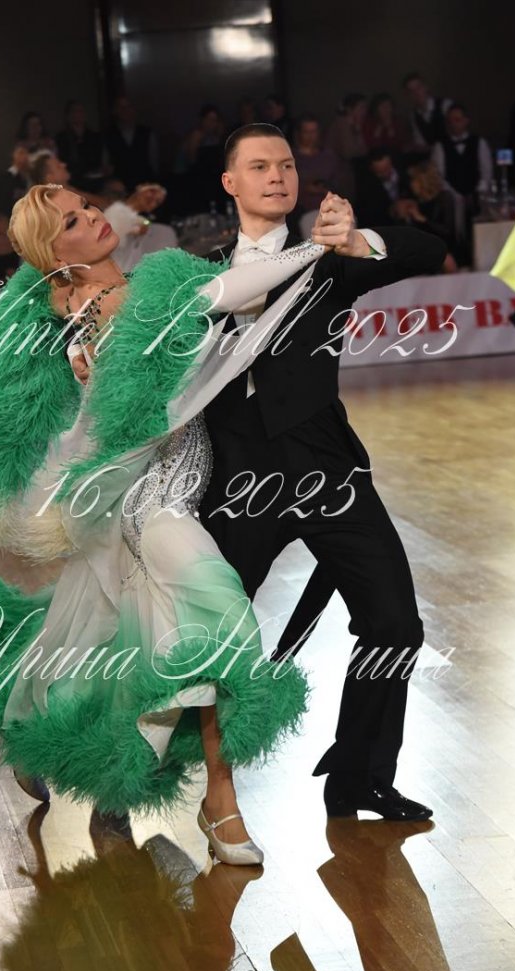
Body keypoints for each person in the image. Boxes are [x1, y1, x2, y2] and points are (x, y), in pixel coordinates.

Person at [0, 182, 335, 864]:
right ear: (52, 254)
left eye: (89, 206)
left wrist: (310, 249)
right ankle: (221, 802)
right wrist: (314, 247)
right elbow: (224, 294)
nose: (94, 218)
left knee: (113, 631)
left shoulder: (143, 282)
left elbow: (223, 288)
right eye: (73, 220)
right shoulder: (74, 309)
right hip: (139, 498)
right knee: (218, 612)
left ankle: (56, 741)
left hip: (180, 476)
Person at [182, 123, 444, 821]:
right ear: (229, 182)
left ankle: (358, 775)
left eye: (287, 165)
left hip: (328, 471)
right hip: (236, 482)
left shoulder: (326, 261)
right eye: (259, 166)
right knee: (202, 634)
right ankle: (136, 766)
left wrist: (359, 242)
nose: (277, 175)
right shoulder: (198, 277)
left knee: (395, 624)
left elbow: (429, 247)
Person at [431, 104, 493, 215]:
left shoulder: (479, 142)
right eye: (450, 121)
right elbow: (438, 176)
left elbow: (486, 173)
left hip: (477, 199)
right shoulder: (439, 146)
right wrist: (456, 197)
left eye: (457, 120)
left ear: (466, 121)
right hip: (450, 201)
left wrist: (476, 194)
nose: (453, 124)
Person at [402, 73, 453, 149]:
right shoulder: (414, 116)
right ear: (408, 96)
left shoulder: (445, 105)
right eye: (411, 91)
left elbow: (459, 136)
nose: (416, 93)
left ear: (426, 87)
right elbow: (421, 143)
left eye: (418, 88)